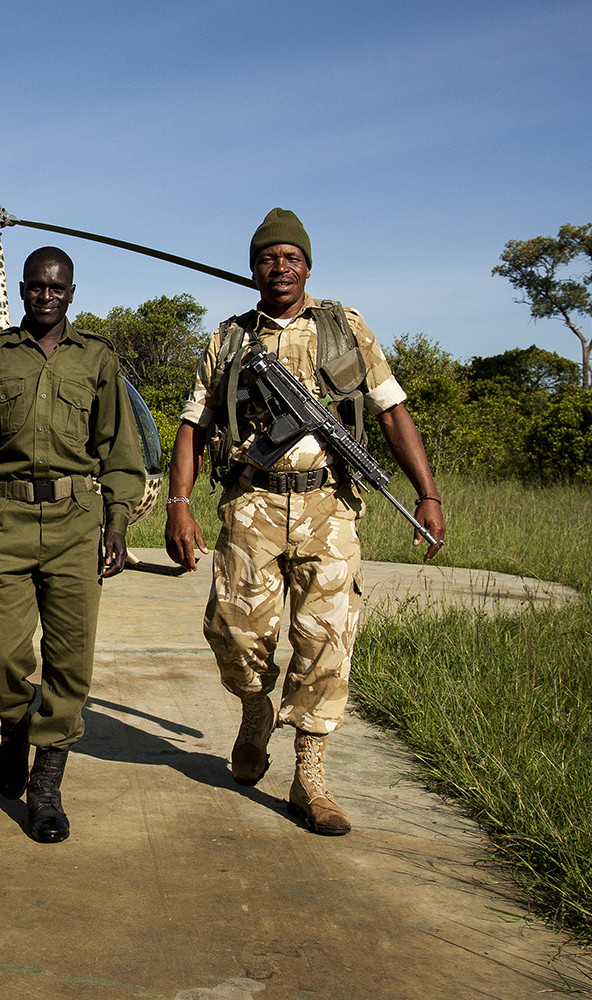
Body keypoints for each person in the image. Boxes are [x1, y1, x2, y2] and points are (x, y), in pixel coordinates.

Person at [164, 208, 445, 836]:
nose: (279, 267)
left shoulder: (345, 328)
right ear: (253, 268)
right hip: (251, 505)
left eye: (291, 257)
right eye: (268, 258)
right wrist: (179, 506)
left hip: (329, 507)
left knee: (326, 642)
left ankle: (310, 775)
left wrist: (427, 494)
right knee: (234, 635)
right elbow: (194, 425)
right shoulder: (232, 338)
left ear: (308, 266)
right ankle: (256, 710)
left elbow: (393, 413)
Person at [0, 247, 145, 843]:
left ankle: (46, 784)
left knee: (70, 658)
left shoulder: (95, 358)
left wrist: (116, 524)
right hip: (6, 515)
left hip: (75, 520)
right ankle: (15, 721)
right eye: (36, 287)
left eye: (57, 287)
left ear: (72, 292)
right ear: (22, 290)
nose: (46, 296)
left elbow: (120, 448)